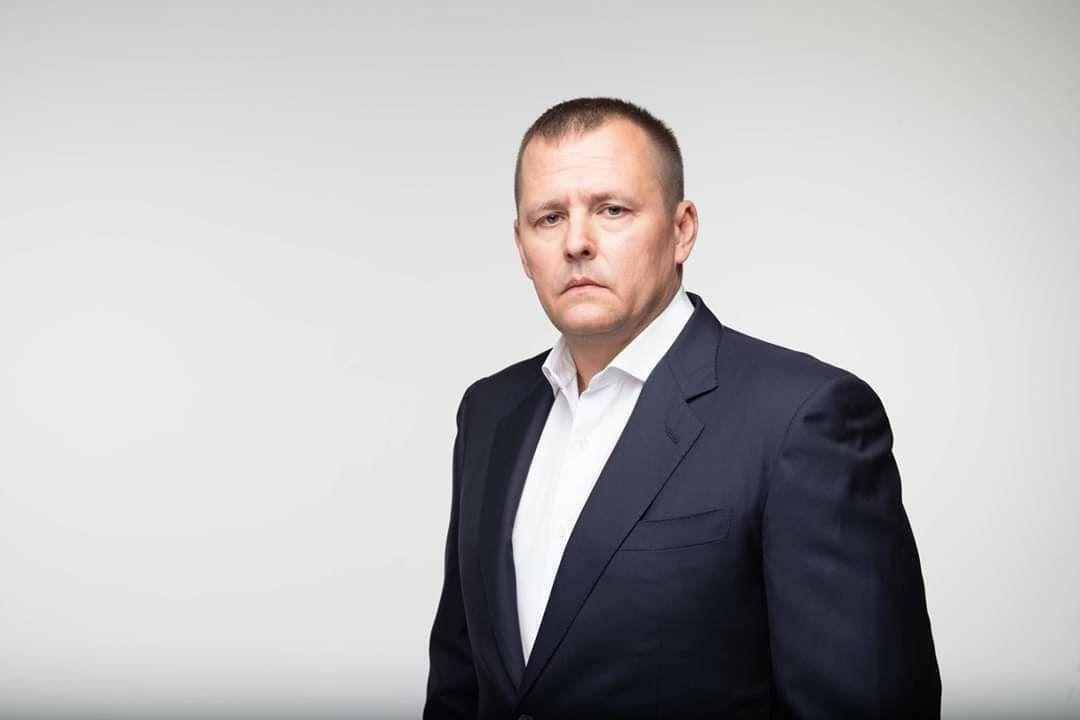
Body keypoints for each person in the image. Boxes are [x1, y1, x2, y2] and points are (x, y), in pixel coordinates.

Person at [423, 97, 941, 719]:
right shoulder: (489, 413)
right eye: (549, 217)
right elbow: (460, 681)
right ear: (521, 245)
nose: (577, 243)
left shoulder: (802, 418)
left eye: (611, 210)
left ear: (682, 229)